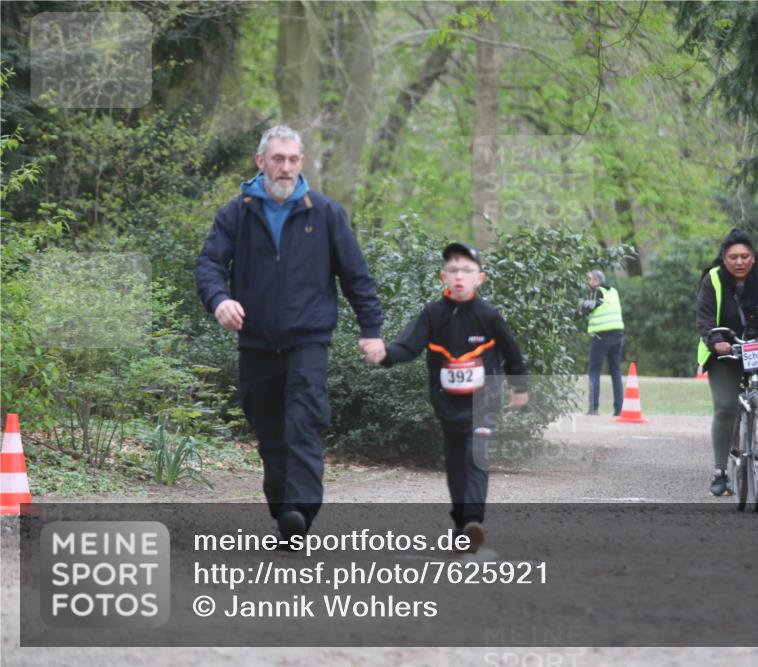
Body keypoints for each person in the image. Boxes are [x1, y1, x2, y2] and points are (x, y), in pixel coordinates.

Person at [196, 125, 384, 545]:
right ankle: (284, 513)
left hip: (308, 338)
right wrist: (219, 300)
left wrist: (371, 330)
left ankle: (299, 511)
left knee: (303, 422)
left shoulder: (325, 213)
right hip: (256, 340)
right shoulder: (236, 213)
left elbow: (356, 275)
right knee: (270, 433)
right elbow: (209, 264)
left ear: (302, 162)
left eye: (293, 159)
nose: (285, 167)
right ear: (260, 161)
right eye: (277, 159)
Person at [372, 242, 528, 553]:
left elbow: (512, 352)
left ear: (479, 279)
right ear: (443, 276)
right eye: (453, 270)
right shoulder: (433, 314)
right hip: (447, 405)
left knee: (475, 457)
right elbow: (409, 345)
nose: (459, 276)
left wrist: (519, 387)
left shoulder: (488, 315)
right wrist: (385, 355)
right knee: (456, 465)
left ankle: (473, 521)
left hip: (484, 403)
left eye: (467, 271)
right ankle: (462, 527)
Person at [696, 228, 758, 496]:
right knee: (725, 408)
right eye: (733, 257)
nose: (739, 262)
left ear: (753, 257)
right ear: (724, 258)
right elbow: (704, 317)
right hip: (725, 350)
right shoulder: (712, 279)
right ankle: (720, 472)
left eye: (745, 256)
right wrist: (715, 341)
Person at [580, 269, 624, 416]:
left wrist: (581, 306)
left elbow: (585, 310)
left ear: (596, 281)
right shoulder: (614, 292)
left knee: (594, 371)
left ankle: (593, 408)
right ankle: (619, 409)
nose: (588, 282)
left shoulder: (596, 292)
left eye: (590, 279)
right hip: (617, 335)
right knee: (616, 371)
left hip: (601, 337)